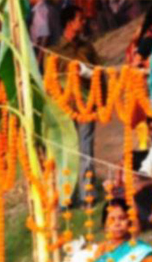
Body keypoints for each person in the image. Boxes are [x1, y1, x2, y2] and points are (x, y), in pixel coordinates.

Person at [51, 7, 101, 189]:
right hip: (65, 108)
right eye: (80, 19)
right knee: (69, 150)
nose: (84, 22)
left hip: (87, 105)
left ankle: (87, 193)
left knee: (86, 149)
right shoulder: (55, 51)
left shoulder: (87, 47)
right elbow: (51, 81)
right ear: (69, 23)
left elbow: (99, 71)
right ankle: (67, 193)